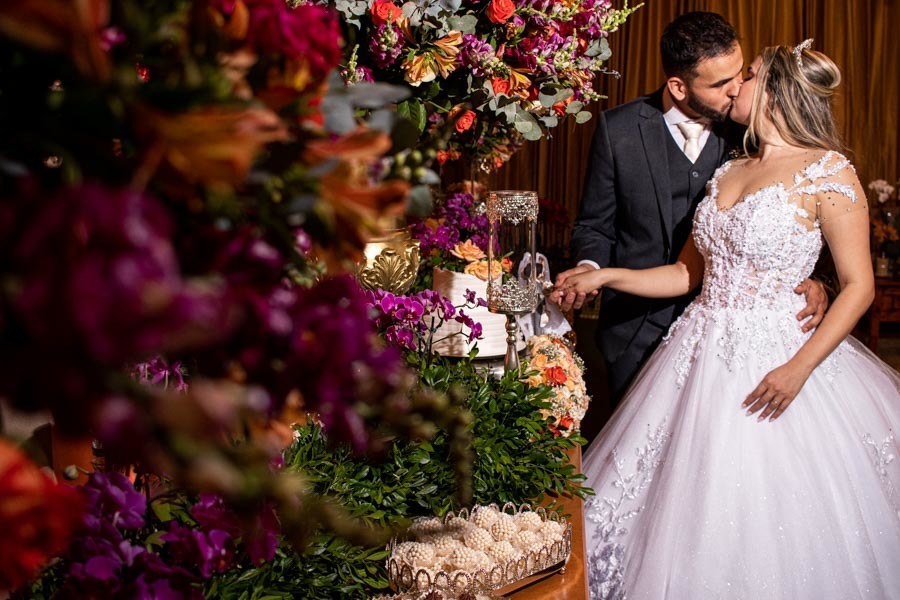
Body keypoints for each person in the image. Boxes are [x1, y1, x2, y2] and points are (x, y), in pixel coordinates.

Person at [560, 41, 900, 599]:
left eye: (750, 77)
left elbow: (858, 286)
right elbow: (684, 274)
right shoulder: (729, 169)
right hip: (698, 349)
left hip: (782, 357)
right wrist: (606, 276)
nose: (736, 86)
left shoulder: (827, 172)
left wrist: (798, 369)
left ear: (773, 89)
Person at [555, 12, 827, 404]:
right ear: (679, 86)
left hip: (732, 343)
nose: (738, 89)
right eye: (721, 83)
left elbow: (800, 212)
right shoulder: (619, 130)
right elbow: (596, 225)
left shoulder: (754, 127)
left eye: (740, 73)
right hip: (635, 328)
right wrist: (590, 268)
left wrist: (816, 281)